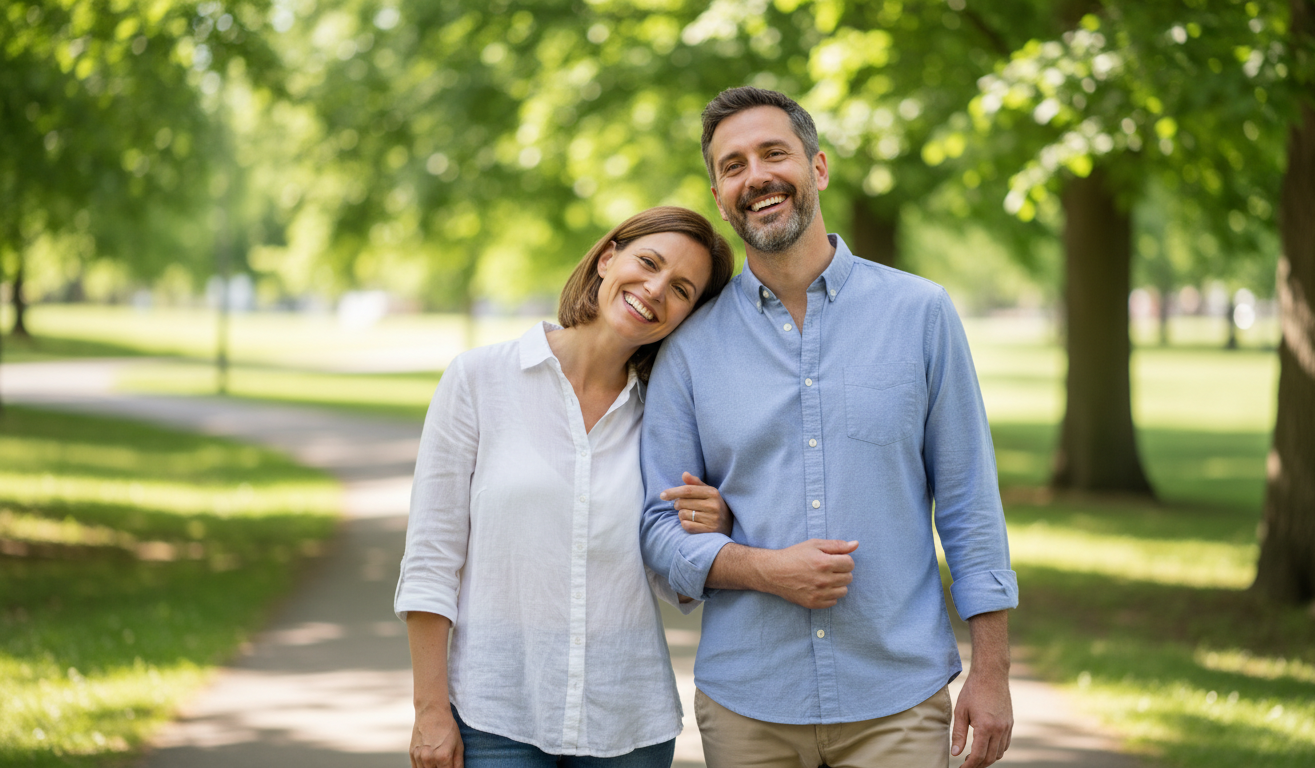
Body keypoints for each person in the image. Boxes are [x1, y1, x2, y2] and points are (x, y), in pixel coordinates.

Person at [639, 87, 1018, 768]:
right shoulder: (689, 347)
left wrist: (991, 673)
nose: (755, 176)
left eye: (772, 153)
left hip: (898, 699)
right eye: (732, 166)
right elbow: (659, 532)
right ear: (720, 195)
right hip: (749, 705)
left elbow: (968, 504)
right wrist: (762, 568)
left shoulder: (921, 314)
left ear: (817, 168)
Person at [395, 206, 736, 768]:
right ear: (607, 258)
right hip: (494, 714)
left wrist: (710, 528)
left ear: (687, 317)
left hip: (627, 723)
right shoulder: (479, 380)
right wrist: (430, 711)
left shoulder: (666, 417)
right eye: (647, 263)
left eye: (681, 289)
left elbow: (669, 578)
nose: (654, 290)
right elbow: (432, 559)